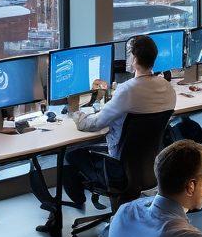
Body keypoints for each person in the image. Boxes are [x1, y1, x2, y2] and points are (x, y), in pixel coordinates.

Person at [40, 35, 176, 217]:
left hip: (119, 166)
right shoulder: (168, 89)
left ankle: (75, 202)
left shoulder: (128, 90)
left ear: (134, 60)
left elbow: (93, 123)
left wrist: (74, 110)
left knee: (70, 153)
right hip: (149, 166)